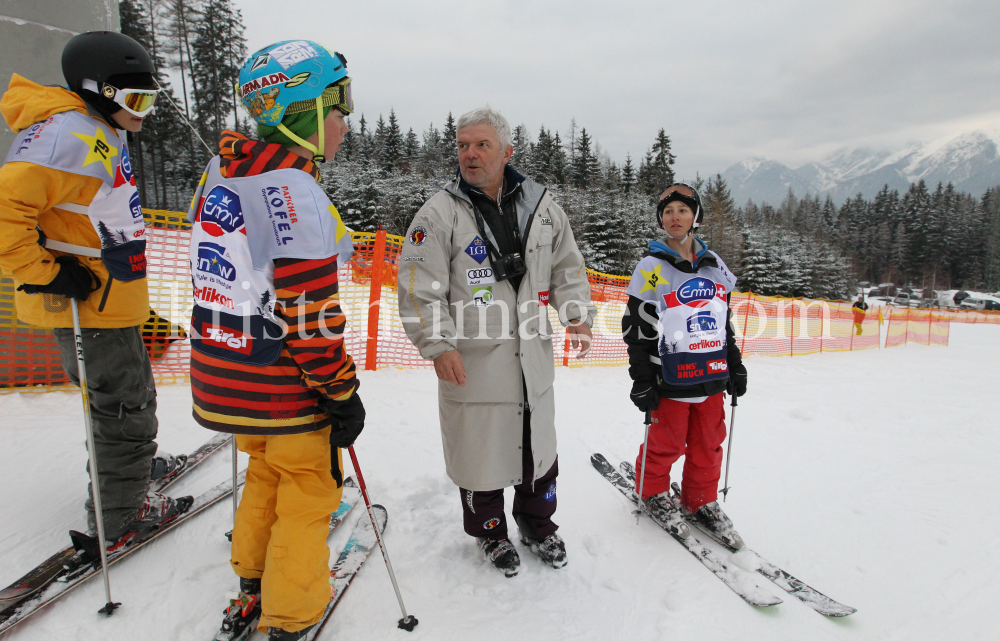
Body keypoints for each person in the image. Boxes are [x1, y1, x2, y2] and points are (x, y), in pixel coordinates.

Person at [187, 40, 363, 641]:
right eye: (338, 109)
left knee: (264, 471)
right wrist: (339, 391)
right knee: (309, 491)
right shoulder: (297, 190)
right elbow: (310, 311)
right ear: (307, 111)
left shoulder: (221, 169)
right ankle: (291, 613)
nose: (345, 124)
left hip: (226, 368)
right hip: (284, 383)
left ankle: (252, 580)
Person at [0, 31, 190, 544]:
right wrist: (46, 272)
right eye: (135, 100)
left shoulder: (89, 127)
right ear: (97, 90)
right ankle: (122, 512)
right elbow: (4, 213)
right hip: (90, 301)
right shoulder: (69, 136)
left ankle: (131, 470)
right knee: (124, 405)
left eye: (151, 98)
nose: (144, 111)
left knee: (125, 395)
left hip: (110, 296)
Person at [398, 106, 596, 577]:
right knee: (480, 453)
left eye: (481, 145)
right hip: (474, 362)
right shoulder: (438, 213)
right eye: (463, 145)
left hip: (532, 355)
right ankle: (490, 533)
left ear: (507, 151)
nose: (470, 154)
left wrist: (577, 315)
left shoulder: (543, 208)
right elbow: (418, 286)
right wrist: (438, 345)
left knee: (536, 449)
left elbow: (568, 266)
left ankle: (538, 525)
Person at [622, 183, 747, 548]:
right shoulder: (651, 267)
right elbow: (637, 328)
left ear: (696, 217)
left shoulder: (715, 266)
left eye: (682, 210)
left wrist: (734, 365)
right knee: (666, 442)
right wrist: (642, 376)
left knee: (708, 442)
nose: (674, 217)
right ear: (661, 220)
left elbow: (724, 321)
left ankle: (701, 500)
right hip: (670, 374)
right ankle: (653, 493)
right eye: (667, 212)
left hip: (711, 374)